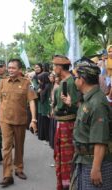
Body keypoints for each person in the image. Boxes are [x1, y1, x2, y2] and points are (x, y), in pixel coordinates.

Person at [70, 58, 112, 189]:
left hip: (95, 162)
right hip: (84, 160)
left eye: (75, 77)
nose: (74, 80)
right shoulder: (88, 99)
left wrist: (96, 168)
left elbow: (100, 140)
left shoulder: (97, 103)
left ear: (81, 80)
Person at [0, 59, 37, 187]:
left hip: (20, 120)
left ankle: (19, 168)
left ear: (20, 70)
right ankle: (7, 175)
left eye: (13, 68)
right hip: (5, 121)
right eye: (9, 67)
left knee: (19, 146)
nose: (10, 70)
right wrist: (0, 115)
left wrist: (34, 119)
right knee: (6, 147)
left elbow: (31, 101)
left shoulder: (26, 83)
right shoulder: (3, 82)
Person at [52, 55, 78, 190]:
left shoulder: (68, 83)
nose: (53, 69)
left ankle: (68, 184)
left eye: (54, 66)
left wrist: (55, 108)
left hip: (67, 125)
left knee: (66, 158)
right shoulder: (66, 81)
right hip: (64, 123)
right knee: (63, 156)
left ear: (59, 68)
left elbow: (68, 105)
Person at [37, 72, 51, 141]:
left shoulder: (48, 86)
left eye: (40, 79)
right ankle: (46, 137)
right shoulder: (44, 85)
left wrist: (40, 92)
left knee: (47, 124)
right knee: (45, 123)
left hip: (46, 108)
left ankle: (47, 138)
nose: (39, 81)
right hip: (44, 108)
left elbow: (44, 98)